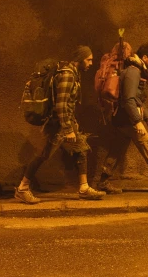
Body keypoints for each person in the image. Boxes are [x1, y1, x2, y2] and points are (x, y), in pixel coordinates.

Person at [15, 46, 105, 204]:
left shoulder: (74, 73)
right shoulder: (68, 75)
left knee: (81, 150)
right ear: (79, 59)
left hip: (67, 122)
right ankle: (22, 188)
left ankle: (84, 188)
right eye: (88, 59)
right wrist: (68, 129)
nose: (91, 63)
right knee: (43, 154)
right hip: (58, 125)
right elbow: (61, 105)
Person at [95, 43, 148, 194]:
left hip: (122, 118)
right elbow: (129, 100)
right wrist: (137, 122)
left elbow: (137, 99)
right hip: (128, 119)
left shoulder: (135, 70)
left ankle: (103, 182)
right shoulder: (133, 72)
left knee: (116, 150)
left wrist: (147, 118)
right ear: (144, 58)